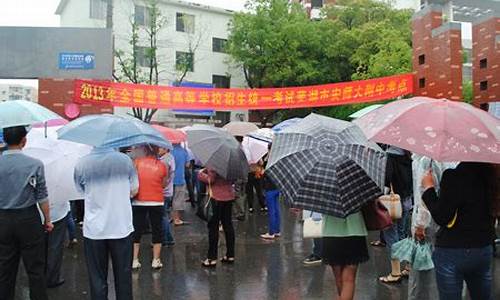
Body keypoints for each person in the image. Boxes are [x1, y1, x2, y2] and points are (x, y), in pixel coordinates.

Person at [422, 162, 496, 300]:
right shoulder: (492, 176)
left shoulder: (453, 176)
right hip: (483, 248)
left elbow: (442, 216)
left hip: (452, 250)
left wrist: (428, 189)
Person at [74, 146, 139, 300]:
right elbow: (135, 189)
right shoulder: (125, 161)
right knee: (123, 277)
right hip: (121, 226)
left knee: (97, 279)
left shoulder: (82, 163)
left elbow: (80, 191)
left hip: (94, 229)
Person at [0, 126, 53, 300]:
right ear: (24, 140)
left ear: (5, 141)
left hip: (3, 220)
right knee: (35, 269)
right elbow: (42, 196)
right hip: (28, 219)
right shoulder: (35, 164)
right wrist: (48, 220)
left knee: (5, 269)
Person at [406, 155, 456, 300]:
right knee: (438, 269)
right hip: (444, 222)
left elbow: (424, 193)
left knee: (423, 272)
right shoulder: (451, 160)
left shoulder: (428, 161)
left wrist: (420, 224)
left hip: (429, 224)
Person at [379, 146, 413, 284]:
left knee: (391, 234)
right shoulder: (408, 157)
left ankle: (395, 272)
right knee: (402, 234)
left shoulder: (389, 156)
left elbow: (387, 180)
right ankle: (408, 267)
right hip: (405, 200)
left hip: (392, 202)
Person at [132, 145, 168, 270]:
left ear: (145, 151)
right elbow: (164, 184)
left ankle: (134, 260)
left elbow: (132, 181)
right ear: (157, 151)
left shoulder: (136, 163)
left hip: (139, 201)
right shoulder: (162, 166)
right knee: (157, 230)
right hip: (157, 201)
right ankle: (156, 260)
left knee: (136, 230)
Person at [322, 212, 369, 300]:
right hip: (355, 230)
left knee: (339, 278)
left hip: (331, 232)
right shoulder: (355, 197)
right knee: (349, 279)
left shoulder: (325, 197)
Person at [198, 168, 236, 267]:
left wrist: (201, 174)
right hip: (229, 196)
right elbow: (233, 180)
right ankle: (230, 255)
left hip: (216, 197)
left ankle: (211, 258)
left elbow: (211, 180)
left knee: (213, 227)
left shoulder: (215, 163)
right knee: (228, 225)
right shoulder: (231, 164)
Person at [260, 144, 281, 239]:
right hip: (277, 187)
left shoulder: (269, 160)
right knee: (277, 209)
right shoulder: (279, 158)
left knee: (271, 211)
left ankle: (271, 232)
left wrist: (262, 172)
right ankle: (277, 230)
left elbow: (266, 174)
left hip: (270, 188)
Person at [159, 148, 175, 246]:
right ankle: (168, 238)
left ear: (165, 148)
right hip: (168, 191)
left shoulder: (165, 161)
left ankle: (165, 239)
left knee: (162, 216)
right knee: (164, 215)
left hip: (164, 192)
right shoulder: (170, 158)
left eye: (159, 148)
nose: (157, 149)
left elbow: (164, 180)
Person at [172, 143, 190, 225]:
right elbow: (187, 164)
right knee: (178, 199)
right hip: (180, 178)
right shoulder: (184, 151)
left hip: (169, 179)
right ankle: (176, 219)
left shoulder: (169, 151)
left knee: (169, 199)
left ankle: (171, 217)